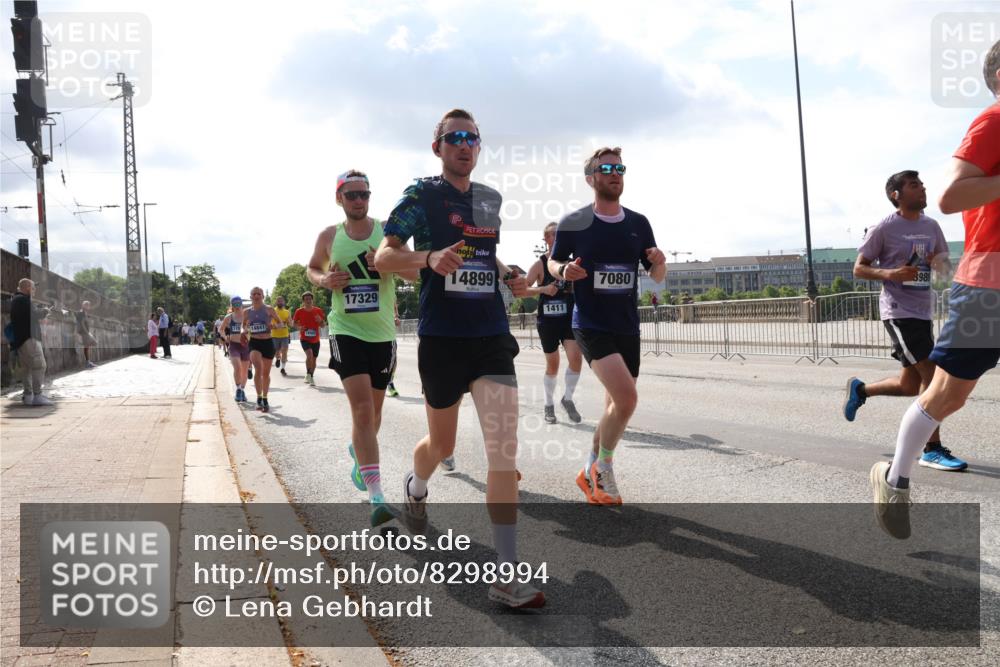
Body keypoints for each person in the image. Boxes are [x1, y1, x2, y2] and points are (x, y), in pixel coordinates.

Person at [375, 108, 541, 609]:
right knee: (442, 443)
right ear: (438, 147)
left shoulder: (489, 199)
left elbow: (485, 254)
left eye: (473, 138)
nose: (465, 145)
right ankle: (416, 484)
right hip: (442, 338)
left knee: (503, 450)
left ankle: (507, 573)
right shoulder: (420, 196)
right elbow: (383, 257)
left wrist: (509, 274)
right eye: (455, 138)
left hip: (490, 335)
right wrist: (427, 258)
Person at [870, 40, 1000, 539]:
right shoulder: (993, 122)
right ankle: (895, 478)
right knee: (946, 394)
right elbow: (950, 195)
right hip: (988, 289)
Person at [548, 146, 666, 505]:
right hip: (591, 322)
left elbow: (656, 275)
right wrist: (563, 270)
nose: (615, 174)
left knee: (615, 406)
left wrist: (660, 261)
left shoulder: (638, 223)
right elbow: (553, 261)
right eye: (607, 169)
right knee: (627, 399)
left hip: (627, 325)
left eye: (620, 169)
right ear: (591, 179)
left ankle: (588, 471)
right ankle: (604, 467)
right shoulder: (574, 221)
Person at [308, 169, 418, 526]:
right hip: (346, 330)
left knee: (374, 414)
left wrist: (387, 262)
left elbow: (415, 273)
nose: (359, 200)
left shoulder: (388, 233)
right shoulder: (329, 236)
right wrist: (325, 279)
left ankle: (360, 452)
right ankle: (377, 497)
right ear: (338, 198)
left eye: (364, 194)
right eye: (351, 194)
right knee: (362, 411)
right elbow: (312, 268)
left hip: (382, 334)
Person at [843, 171, 966, 471]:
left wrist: (939, 264)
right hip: (898, 312)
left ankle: (861, 390)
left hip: (923, 312)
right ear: (896, 195)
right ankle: (931, 448)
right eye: (914, 185)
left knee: (910, 384)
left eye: (921, 184)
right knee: (932, 376)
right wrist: (891, 274)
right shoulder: (884, 228)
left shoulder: (931, 226)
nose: (922, 188)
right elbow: (859, 268)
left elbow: (944, 268)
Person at [526, 221, 583, 425]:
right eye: (553, 234)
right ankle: (548, 405)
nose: (558, 237)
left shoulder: (571, 263)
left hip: (568, 319)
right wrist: (543, 289)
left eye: (560, 234)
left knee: (576, 359)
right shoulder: (540, 264)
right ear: (546, 239)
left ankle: (567, 399)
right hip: (547, 322)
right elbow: (522, 290)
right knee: (553, 364)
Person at [10, 278, 53, 406]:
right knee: (40, 365)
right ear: (28, 288)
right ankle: (37, 395)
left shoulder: (16, 299)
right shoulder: (23, 300)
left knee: (27, 369)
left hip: (21, 340)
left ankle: (28, 396)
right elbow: (34, 314)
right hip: (29, 339)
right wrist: (45, 311)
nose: (34, 291)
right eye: (33, 288)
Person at [243, 286, 278, 412]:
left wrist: (273, 325)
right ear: (251, 297)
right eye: (254, 294)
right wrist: (245, 330)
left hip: (268, 342)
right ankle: (258, 398)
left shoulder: (269, 309)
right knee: (258, 368)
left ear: (263, 296)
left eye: (259, 294)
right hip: (255, 342)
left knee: (266, 374)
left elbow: (280, 323)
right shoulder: (247, 312)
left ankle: (265, 398)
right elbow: (243, 326)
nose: (256, 296)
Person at [221, 297, 251, 403]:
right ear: (232, 305)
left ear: (241, 304)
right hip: (234, 346)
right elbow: (221, 330)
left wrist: (248, 330)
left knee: (244, 371)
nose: (237, 306)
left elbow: (253, 327)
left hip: (246, 346)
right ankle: (238, 389)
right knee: (237, 367)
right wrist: (225, 337)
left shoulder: (247, 316)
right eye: (235, 304)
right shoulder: (229, 317)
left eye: (238, 304)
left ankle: (242, 390)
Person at [292, 292, 325, 385]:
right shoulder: (299, 311)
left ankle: (310, 376)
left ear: (312, 300)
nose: (308, 301)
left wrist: (320, 321)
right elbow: (293, 324)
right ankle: (309, 375)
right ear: (303, 301)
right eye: (306, 299)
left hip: (316, 339)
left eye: (310, 299)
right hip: (304, 338)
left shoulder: (318, 310)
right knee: (309, 355)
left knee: (314, 359)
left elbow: (323, 325)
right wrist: (299, 328)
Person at [271, 296, 292, 376]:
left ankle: (283, 368)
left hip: (285, 335)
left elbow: (291, 324)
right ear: (276, 302)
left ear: (284, 302)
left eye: (281, 301)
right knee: (276, 351)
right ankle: (278, 358)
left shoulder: (287, 312)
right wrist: (275, 325)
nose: (280, 302)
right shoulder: (273, 311)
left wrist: (289, 321)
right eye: (278, 301)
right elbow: (269, 323)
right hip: (274, 335)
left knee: (284, 351)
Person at [76, 300, 98, 368]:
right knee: (88, 345)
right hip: (84, 332)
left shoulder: (84, 313)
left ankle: (88, 362)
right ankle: (88, 362)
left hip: (86, 332)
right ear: (83, 305)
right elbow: (81, 323)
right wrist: (86, 332)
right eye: (86, 305)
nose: (88, 306)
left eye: (88, 305)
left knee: (91, 344)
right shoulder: (81, 312)